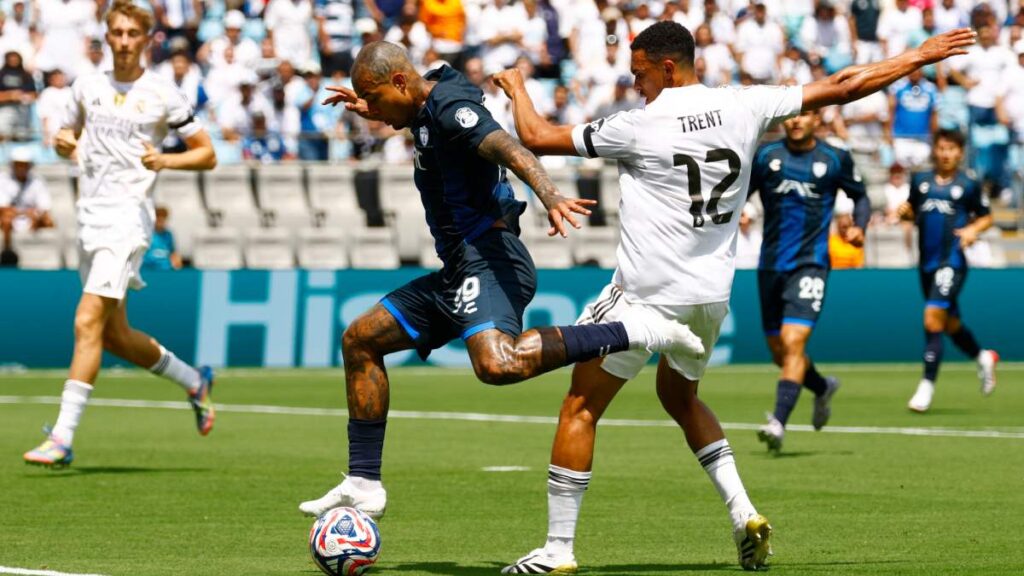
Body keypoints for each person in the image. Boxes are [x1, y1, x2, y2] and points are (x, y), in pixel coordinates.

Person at [491, 20, 975, 573]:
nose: (636, 85)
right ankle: (744, 513)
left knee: (580, 406)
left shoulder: (638, 125)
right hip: (709, 299)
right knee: (680, 398)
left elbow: (536, 136)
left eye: (640, 74)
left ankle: (558, 550)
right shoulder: (746, 104)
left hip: (646, 296)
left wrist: (517, 88)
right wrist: (917, 56)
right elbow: (844, 85)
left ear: (667, 67)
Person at [297, 41, 704, 520]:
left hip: (490, 260)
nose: (374, 112)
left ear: (401, 82)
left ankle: (639, 331)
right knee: (361, 340)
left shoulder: (451, 110)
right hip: (458, 269)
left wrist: (550, 196)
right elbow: (418, 107)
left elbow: (508, 147)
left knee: (497, 365)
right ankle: (363, 482)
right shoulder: (425, 102)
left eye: (377, 98)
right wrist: (376, 104)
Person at [22, 0, 218, 469]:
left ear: (147, 39)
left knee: (86, 321)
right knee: (114, 336)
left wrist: (165, 159)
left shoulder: (162, 93)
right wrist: (62, 143)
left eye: (133, 33)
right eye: (118, 33)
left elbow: (207, 153)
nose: (125, 41)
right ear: (107, 37)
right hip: (89, 218)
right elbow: (66, 138)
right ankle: (195, 381)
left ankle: (62, 437)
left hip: (128, 220)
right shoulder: (86, 86)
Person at [750, 107, 869, 453]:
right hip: (770, 265)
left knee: (793, 342)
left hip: (811, 264)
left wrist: (860, 226)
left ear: (818, 120)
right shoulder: (765, 156)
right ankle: (821, 387)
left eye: (806, 114)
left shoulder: (834, 159)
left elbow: (861, 196)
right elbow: (739, 192)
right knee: (780, 352)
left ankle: (778, 422)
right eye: (791, 115)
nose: (797, 120)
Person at [898, 128, 999, 413]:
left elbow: (987, 217)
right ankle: (983, 357)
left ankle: (926, 387)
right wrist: (905, 213)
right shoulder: (921, 180)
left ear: (960, 153)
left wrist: (972, 229)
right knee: (949, 323)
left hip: (952, 261)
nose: (946, 154)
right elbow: (912, 211)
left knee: (932, 318)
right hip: (926, 263)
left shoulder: (968, 184)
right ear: (935, 150)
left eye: (951, 149)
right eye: (941, 148)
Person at [0, 147, 54, 255]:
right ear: (12, 165)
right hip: (10, 219)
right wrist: (26, 213)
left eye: (24, 165)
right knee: (6, 219)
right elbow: (3, 208)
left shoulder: (38, 181)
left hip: (32, 218)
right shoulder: (3, 179)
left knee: (48, 221)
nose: (21, 168)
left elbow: (45, 207)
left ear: (29, 166)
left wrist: (34, 215)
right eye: (18, 164)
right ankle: (7, 252)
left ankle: (37, 255)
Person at [829, 196, 866, 269]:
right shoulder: (830, 241)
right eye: (842, 227)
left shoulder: (855, 242)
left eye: (846, 226)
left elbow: (859, 266)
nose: (844, 230)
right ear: (838, 226)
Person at [142, 205, 182, 270]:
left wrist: (176, 261)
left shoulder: (168, 235)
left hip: (165, 269)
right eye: (159, 220)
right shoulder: (147, 233)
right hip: (148, 269)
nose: (160, 223)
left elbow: (173, 253)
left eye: (163, 220)